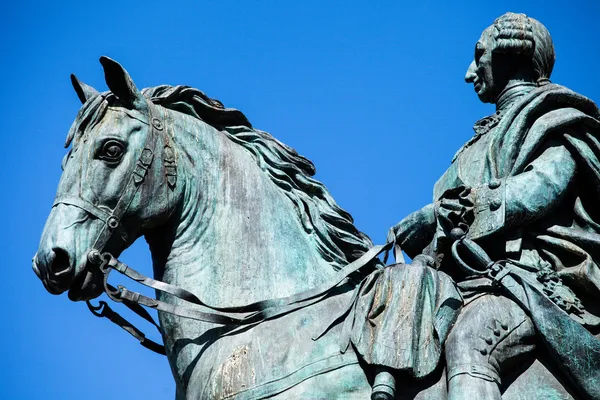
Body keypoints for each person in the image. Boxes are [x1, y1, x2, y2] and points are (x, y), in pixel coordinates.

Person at [388, 12, 600, 400]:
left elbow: (536, 191)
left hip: (533, 280)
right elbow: (445, 221)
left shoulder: (556, 119)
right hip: (466, 279)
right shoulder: (472, 147)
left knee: (471, 340)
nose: (470, 73)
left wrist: (445, 213)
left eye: (479, 56)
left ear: (508, 54)